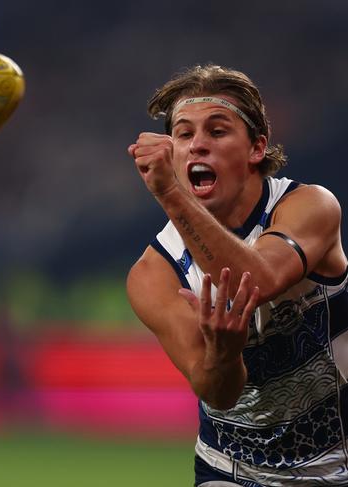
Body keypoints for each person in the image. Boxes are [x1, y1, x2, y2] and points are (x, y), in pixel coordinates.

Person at [126, 64, 348, 486]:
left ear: (257, 148)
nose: (197, 146)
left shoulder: (310, 206)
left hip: (339, 462)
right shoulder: (154, 274)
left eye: (217, 131)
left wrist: (171, 193)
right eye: (184, 134)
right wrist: (223, 355)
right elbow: (217, 391)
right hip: (233, 470)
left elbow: (258, 279)